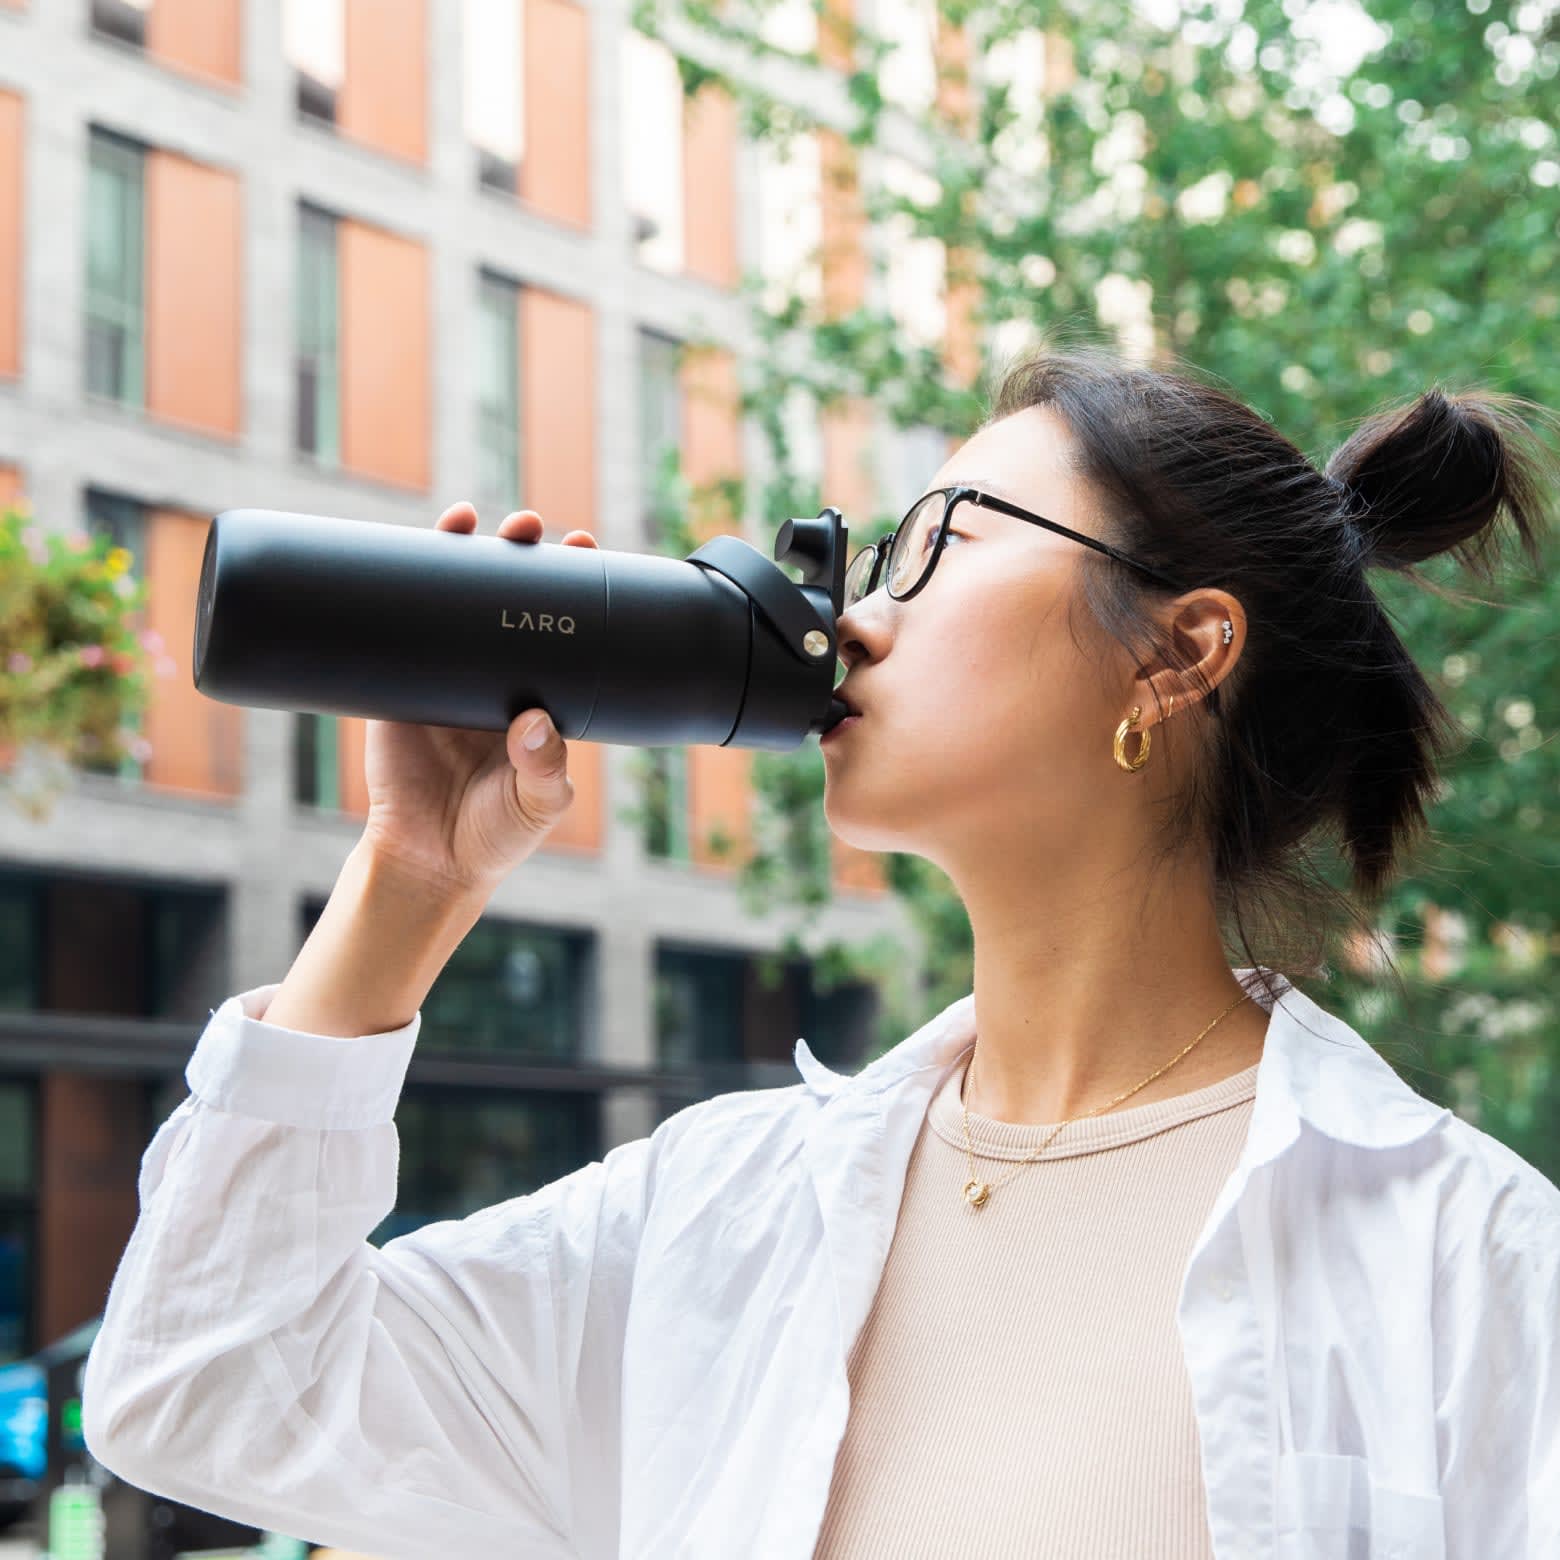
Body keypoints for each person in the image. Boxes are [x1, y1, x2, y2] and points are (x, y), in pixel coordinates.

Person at [82, 347, 1557, 1559]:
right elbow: (208, 1387)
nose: (852, 617)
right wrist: (409, 882)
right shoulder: (714, 1219)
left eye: (935, 546)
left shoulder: (1464, 1266)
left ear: (1177, 655)